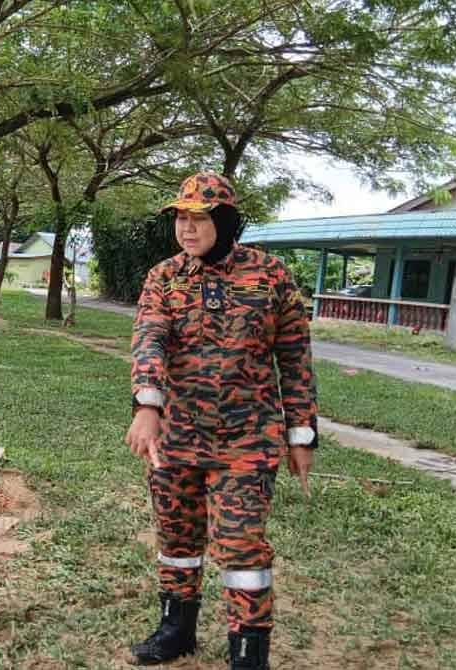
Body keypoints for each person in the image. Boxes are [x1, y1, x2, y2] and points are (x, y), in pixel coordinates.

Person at [125, 172, 318, 669]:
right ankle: (176, 630)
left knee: (241, 546)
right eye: (180, 218)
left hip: (247, 441)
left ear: (226, 221)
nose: (186, 229)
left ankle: (249, 652)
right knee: (177, 538)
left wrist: (301, 435)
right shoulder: (164, 277)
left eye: (199, 218)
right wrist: (147, 405)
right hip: (175, 436)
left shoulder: (271, 275)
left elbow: (295, 359)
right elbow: (150, 337)